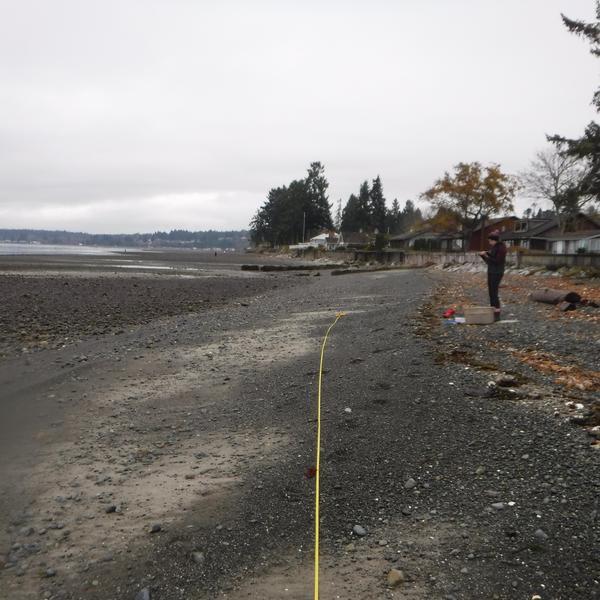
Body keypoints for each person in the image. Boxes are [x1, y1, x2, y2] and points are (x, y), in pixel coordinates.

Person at [479, 230, 507, 321]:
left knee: (494, 293)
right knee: (491, 293)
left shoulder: (501, 248)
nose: (489, 242)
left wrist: (486, 255)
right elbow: (490, 262)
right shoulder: (495, 247)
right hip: (491, 271)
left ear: (494, 240)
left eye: (490, 240)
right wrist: (484, 255)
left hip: (497, 272)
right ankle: (493, 311)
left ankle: (497, 314)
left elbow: (496, 261)